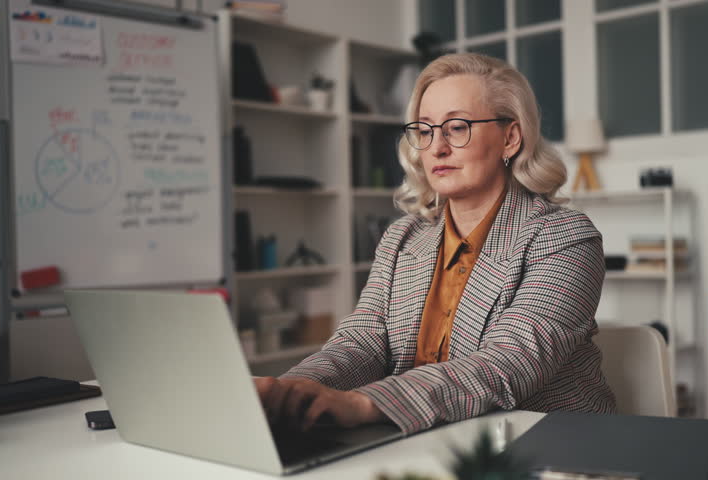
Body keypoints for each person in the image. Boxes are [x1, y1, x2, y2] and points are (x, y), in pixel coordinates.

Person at [254, 53, 616, 435]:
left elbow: (505, 365)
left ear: (510, 137)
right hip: (428, 438)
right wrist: (290, 391)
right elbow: (362, 343)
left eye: (457, 128)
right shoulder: (401, 238)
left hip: (548, 445)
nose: (437, 147)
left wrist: (364, 402)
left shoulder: (565, 237)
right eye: (425, 131)